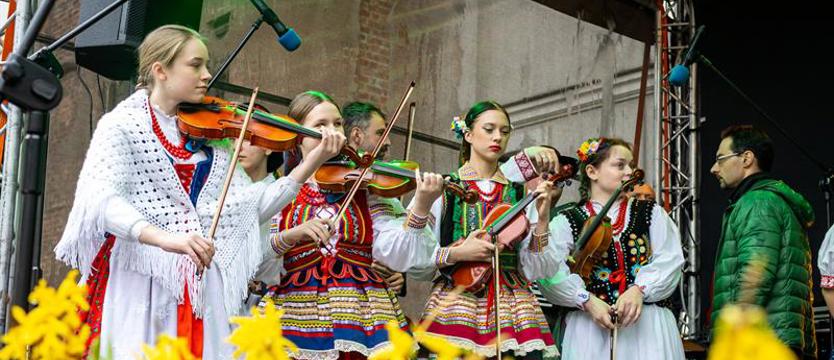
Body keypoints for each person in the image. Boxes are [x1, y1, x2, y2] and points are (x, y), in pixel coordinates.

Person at [55, 25, 342, 359]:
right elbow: (101, 201)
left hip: (201, 281)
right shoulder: (121, 125)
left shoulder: (213, 138)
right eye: (195, 65)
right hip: (143, 276)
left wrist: (315, 159)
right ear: (160, 70)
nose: (206, 75)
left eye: (206, 65)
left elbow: (253, 207)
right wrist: (167, 239)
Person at [259, 91, 445, 359]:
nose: (332, 132)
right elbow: (258, 264)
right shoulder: (279, 192)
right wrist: (290, 236)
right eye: (320, 125)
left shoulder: (363, 187)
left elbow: (400, 254)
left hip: (360, 314)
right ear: (297, 136)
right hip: (293, 312)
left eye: (337, 124)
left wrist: (421, 205)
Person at [411, 100, 559, 359]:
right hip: (457, 298)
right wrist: (456, 253)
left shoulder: (520, 192)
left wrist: (543, 219)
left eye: (504, 131)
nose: (497, 137)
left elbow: (537, 266)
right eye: (489, 129)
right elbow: (417, 257)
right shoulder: (443, 188)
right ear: (468, 134)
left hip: (513, 302)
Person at [539, 137, 685, 360]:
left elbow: (671, 259)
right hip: (590, 328)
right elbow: (549, 273)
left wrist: (639, 289)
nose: (629, 171)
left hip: (647, 325)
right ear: (592, 171)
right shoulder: (566, 221)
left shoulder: (650, 212)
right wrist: (586, 300)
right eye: (620, 165)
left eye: (631, 165)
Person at [709, 125, 816, 359]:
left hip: (761, 343)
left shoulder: (758, 202)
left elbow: (756, 272)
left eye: (720, 159)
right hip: (778, 339)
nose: (714, 168)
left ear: (747, 158)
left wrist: (733, 336)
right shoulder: (768, 200)